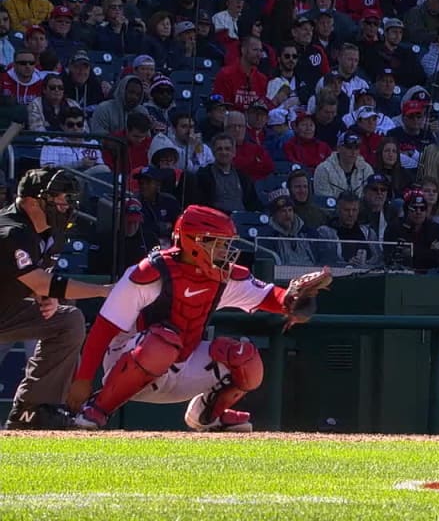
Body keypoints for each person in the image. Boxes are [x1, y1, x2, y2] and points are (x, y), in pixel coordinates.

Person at [69, 205, 331, 432]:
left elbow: (271, 298)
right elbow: (102, 331)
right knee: (163, 341)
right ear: (194, 241)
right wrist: (83, 380)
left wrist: (295, 302)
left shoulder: (223, 276)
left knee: (247, 358)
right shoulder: (150, 273)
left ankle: (208, 415)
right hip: (130, 362)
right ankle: (99, 407)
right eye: (218, 243)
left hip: (182, 366)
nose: (225, 251)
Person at [0, 169, 111, 429]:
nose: (65, 206)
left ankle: (32, 409)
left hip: (6, 311)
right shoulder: (10, 231)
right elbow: (39, 280)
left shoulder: (50, 233)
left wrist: (44, 295)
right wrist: (103, 290)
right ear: (32, 202)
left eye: (67, 199)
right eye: (58, 199)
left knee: (67, 319)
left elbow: (35, 280)